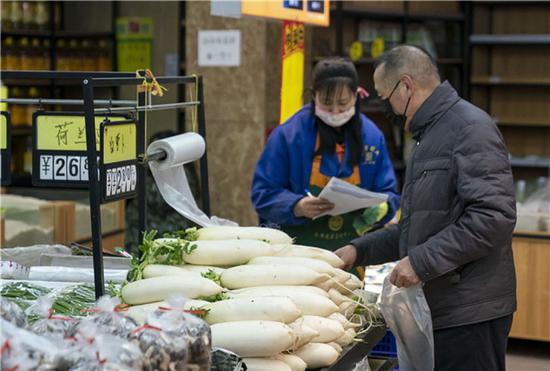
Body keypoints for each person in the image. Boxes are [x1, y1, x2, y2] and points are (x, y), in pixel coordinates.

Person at [335, 45, 516, 370]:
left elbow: (493, 218)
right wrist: (356, 251)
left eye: (384, 96)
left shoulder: (470, 129)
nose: (385, 107)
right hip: (443, 307)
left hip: (469, 312)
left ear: (405, 86)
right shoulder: (431, 136)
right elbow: (418, 230)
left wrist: (419, 263)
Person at [251, 57, 400, 278]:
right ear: (313, 96)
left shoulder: (371, 136)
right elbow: (262, 194)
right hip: (296, 255)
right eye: (326, 103)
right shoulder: (289, 136)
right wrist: (296, 206)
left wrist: (378, 211)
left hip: (350, 256)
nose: (335, 110)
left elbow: (389, 194)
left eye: (343, 103)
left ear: (357, 96)